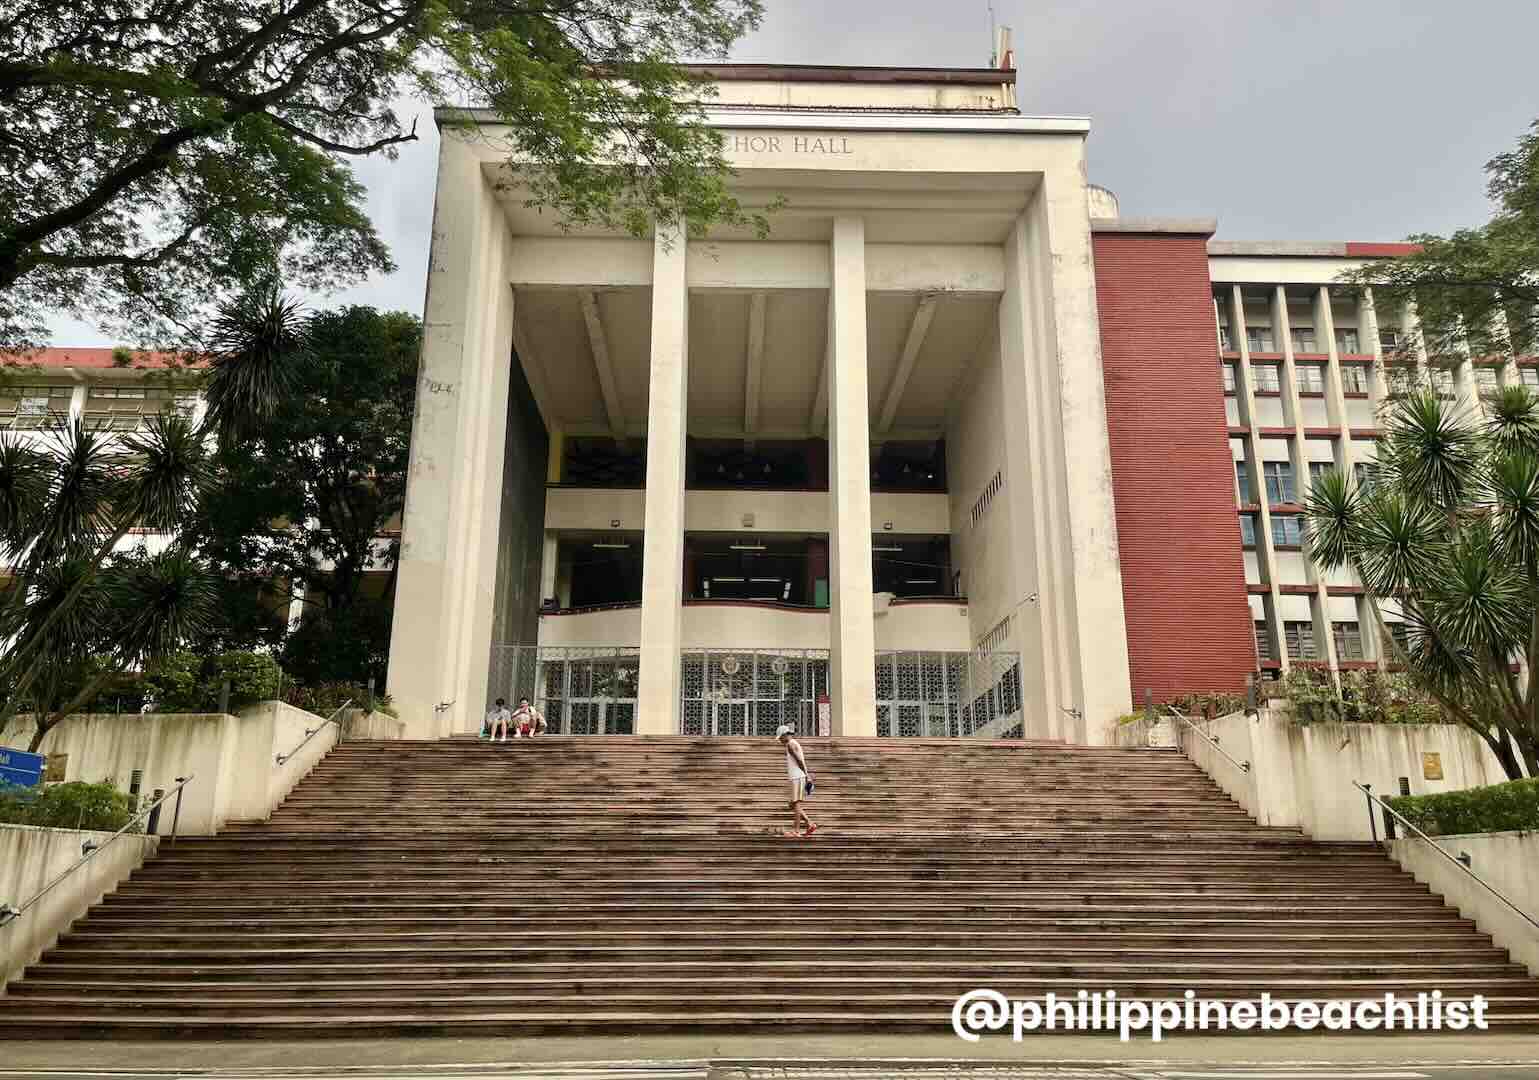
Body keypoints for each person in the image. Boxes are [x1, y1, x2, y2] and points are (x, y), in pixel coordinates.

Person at [776, 724, 818, 838]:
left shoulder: (790, 744)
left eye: (780, 738)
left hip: (797, 776)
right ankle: (809, 823)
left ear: (785, 735)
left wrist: (806, 775)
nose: (780, 740)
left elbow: (799, 760)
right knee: (793, 803)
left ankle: (797, 831)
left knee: (796, 803)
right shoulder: (793, 743)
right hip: (796, 776)